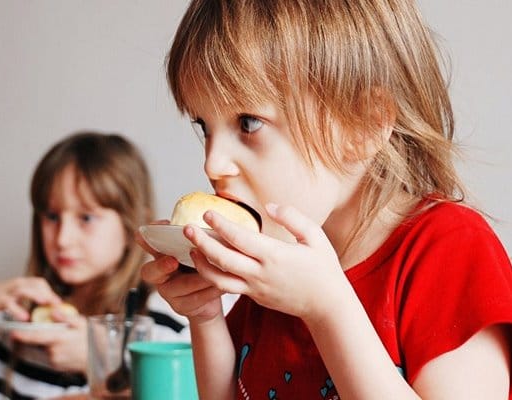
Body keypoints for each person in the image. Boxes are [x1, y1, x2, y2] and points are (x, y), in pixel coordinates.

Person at [140, 1, 512, 399]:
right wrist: (205, 315)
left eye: (248, 123)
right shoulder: (279, 257)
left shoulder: (448, 249)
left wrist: (327, 309)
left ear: (365, 127)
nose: (212, 162)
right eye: (204, 126)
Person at [0, 132, 188, 400]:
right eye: (51, 216)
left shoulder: (160, 324)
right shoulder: (11, 321)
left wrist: (98, 362)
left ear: (132, 226)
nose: (62, 239)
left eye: (86, 218)